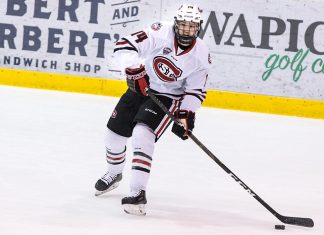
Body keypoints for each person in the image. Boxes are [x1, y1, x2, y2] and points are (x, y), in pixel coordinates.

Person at [94, 4, 211, 216]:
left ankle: (137, 193)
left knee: (142, 134)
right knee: (113, 136)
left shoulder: (201, 55)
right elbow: (124, 44)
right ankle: (114, 173)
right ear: (176, 24)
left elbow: (195, 90)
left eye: (191, 27)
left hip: (167, 98)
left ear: (199, 28)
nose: (186, 31)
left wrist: (186, 113)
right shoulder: (159, 31)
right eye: (183, 25)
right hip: (141, 87)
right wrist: (134, 69)